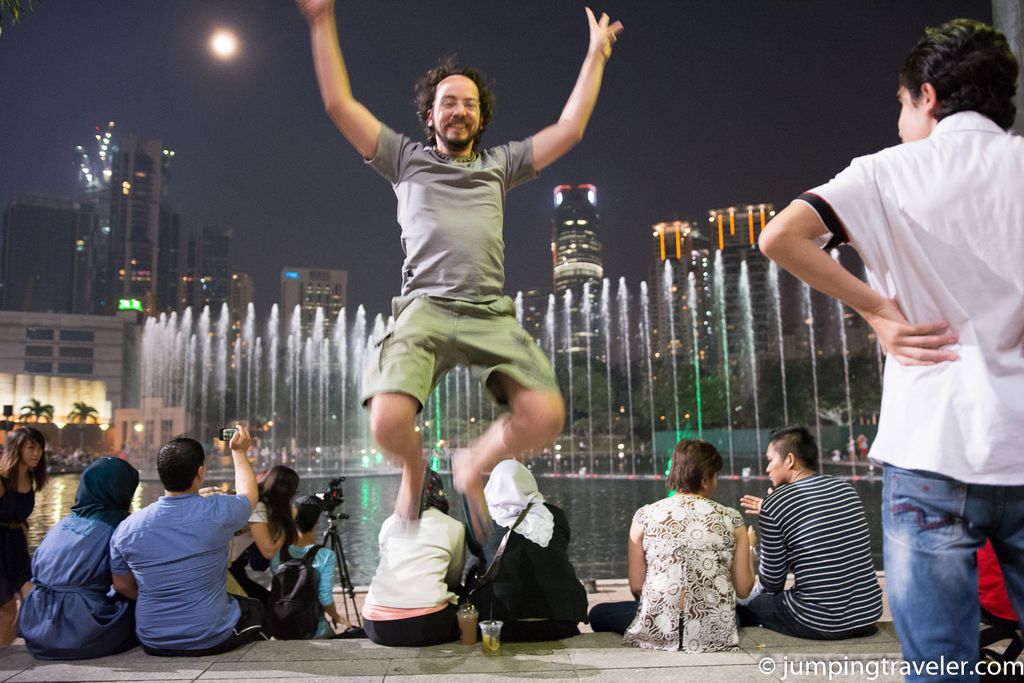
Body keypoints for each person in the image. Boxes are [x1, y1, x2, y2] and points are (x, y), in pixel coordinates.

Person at [757, 18, 1022, 679]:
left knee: (939, 667)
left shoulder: (884, 173)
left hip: (927, 451)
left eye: (901, 102)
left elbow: (780, 236)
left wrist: (876, 308)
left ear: (926, 96)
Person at [295, 0, 623, 534]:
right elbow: (339, 103)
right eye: (448, 103)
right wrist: (321, 20)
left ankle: (473, 462)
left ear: (481, 116)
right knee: (387, 422)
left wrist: (595, 57)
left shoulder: (501, 165)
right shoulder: (404, 159)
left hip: (488, 311)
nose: (458, 111)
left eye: (469, 104)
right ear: (430, 115)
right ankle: (415, 467)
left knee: (545, 415)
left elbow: (569, 128)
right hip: (423, 307)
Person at [109, 426, 265, 656]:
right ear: (201, 472)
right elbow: (250, 496)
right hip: (209, 636)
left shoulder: (127, 528)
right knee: (257, 608)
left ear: (161, 473)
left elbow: (122, 585)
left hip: (152, 639)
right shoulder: (218, 511)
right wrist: (239, 452)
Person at [589, 440, 755, 651]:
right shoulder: (732, 520)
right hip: (712, 629)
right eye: (716, 476)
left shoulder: (644, 517)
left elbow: (637, 587)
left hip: (659, 626)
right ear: (705, 480)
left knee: (597, 614)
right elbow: (743, 589)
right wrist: (750, 547)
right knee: (743, 612)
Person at [738, 426, 882, 639]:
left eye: (770, 460)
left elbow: (771, 582)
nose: (767, 468)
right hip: (867, 614)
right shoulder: (846, 490)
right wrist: (775, 512)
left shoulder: (777, 503)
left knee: (744, 603)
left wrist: (767, 520)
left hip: (818, 621)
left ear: (789, 460)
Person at [18, 457, 139, 659]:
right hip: (78, 629)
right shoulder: (119, 525)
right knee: (138, 602)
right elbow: (123, 586)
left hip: (37, 627)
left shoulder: (63, 524)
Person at [467, 459, 587, 642]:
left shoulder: (481, 522)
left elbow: (477, 551)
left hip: (500, 626)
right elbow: (561, 547)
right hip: (559, 623)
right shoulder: (555, 516)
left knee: (475, 572)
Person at [362, 470, 465, 646]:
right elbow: (454, 579)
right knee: (463, 597)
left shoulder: (389, 522)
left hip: (375, 625)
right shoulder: (454, 526)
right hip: (426, 626)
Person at [268, 496, 345, 639]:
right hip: (312, 627)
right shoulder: (325, 555)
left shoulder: (277, 550)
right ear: (316, 521)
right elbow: (325, 597)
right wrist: (336, 616)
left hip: (280, 625)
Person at [0, 426, 47, 646]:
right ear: (17, 448)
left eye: (39, 448)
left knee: (30, 598)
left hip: (16, 547)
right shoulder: (3, 479)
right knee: (7, 607)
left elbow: (20, 518)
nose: (36, 453)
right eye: (31, 447)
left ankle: (7, 648)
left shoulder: (30, 479)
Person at [229, 465, 300, 600]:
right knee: (266, 606)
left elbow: (259, 564)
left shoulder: (260, 503)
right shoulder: (258, 506)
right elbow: (268, 552)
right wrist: (287, 521)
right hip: (222, 569)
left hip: (231, 566)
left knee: (266, 603)